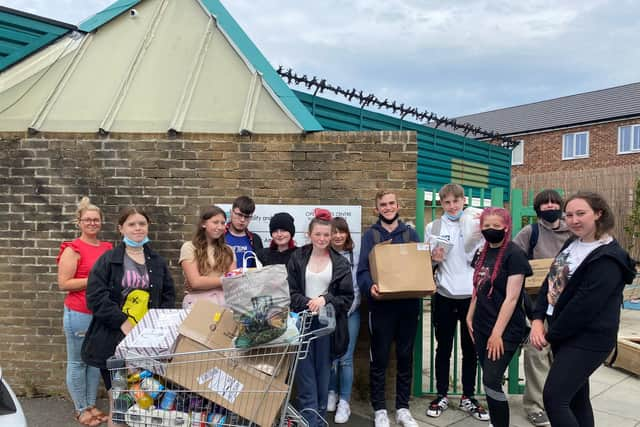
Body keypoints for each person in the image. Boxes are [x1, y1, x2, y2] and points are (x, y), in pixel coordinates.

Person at [530, 192, 636, 427]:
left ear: (599, 214)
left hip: (588, 339)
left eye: (581, 213)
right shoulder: (572, 243)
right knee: (576, 398)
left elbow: (582, 308)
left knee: (554, 398)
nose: (574, 220)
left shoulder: (609, 258)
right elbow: (551, 280)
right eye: (569, 215)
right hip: (562, 333)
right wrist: (537, 319)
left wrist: (548, 335)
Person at [82, 207, 175, 427]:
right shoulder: (109, 260)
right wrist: (123, 322)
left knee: (146, 397)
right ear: (121, 228)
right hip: (114, 340)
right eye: (132, 224)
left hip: (148, 342)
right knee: (120, 399)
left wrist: (156, 326)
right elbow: (95, 297)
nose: (137, 228)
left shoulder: (157, 262)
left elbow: (168, 296)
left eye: (142, 223)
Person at [357, 190, 421, 427]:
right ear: (377, 209)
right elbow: (362, 271)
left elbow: (420, 267)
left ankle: (403, 408)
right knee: (379, 359)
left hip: (408, 306)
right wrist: (369, 287)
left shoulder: (411, 233)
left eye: (391, 203)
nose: (387, 207)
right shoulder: (370, 236)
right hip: (381, 307)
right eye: (383, 204)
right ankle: (380, 409)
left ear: (398, 205)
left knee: (405, 357)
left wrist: (432, 261)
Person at [424, 184, 489, 421]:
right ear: (441, 204)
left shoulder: (477, 221)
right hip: (444, 295)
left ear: (463, 200)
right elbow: (426, 264)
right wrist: (433, 260)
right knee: (443, 349)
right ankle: (441, 394)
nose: (452, 206)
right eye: (447, 202)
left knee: (470, 350)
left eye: (456, 201)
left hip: (472, 298)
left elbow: (488, 256)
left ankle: (468, 397)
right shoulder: (434, 227)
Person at [287, 209, 354, 427]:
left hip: (328, 324)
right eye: (318, 234)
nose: (323, 239)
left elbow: (347, 297)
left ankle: (319, 417)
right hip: (303, 320)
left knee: (323, 372)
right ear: (309, 234)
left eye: (326, 235)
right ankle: (309, 419)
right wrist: (309, 302)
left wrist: (325, 299)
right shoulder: (297, 257)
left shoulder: (340, 263)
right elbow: (290, 292)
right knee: (304, 373)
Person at [466, 207, 532, 427]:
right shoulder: (482, 252)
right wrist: (469, 315)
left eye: (496, 226)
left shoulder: (515, 254)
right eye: (486, 226)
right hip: (481, 325)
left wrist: (497, 333)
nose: (490, 230)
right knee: (489, 381)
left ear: (506, 227)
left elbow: (512, 298)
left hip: (505, 329)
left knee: (491, 380)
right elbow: (479, 286)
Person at [513, 189, 572, 427]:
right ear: (537, 209)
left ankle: (560, 402)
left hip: (569, 307)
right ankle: (535, 406)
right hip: (539, 305)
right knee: (537, 355)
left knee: (565, 357)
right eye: (544, 204)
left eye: (554, 203)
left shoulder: (574, 231)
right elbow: (513, 258)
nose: (550, 207)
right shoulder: (531, 232)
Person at [57, 197, 112, 427]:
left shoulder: (108, 247)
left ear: (101, 222)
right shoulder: (73, 248)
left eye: (96, 220)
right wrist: (95, 280)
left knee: (93, 361)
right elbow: (64, 283)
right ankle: (81, 409)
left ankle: (90, 405)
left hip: (101, 313)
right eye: (87, 219)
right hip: (79, 312)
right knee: (78, 362)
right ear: (79, 222)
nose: (92, 223)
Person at [327, 216, 360, 424]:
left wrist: (347, 309)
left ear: (347, 233)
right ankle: (332, 391)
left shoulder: (354, 255)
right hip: (329, 313)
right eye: (334, 232)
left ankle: (345, 402)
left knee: (346, 358)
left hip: (350, 313)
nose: (338, 236)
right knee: (331, 357)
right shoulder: (323, 255)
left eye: (342, 231)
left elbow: (357, 287)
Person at [180, 205, 235, 309]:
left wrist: (205, 282)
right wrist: (224, 280)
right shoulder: (189, 247)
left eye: (223, 223)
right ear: (203, 224)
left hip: (224, 304)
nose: (220, 227)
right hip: (197, 304)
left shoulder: (228, 250)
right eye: (215, 222)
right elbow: (195, 282)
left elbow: (233, 282)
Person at [225, 196, 263, 268]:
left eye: (247, 216)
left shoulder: (255, 239)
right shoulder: (220, 236)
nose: (242, 220)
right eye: (239, 215)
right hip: (222, 278)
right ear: (231, 212)